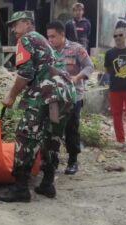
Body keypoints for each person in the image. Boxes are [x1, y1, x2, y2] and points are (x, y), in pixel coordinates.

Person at [0, 11, 76, 202]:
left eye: (15, 24)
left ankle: (20, 188)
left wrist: (11, 96)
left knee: (25, 136)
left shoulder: (26, 40)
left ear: (27, 24)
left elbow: (25, 73)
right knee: (51, 136)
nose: (13, 29)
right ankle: (47, 184)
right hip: (64, 95)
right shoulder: (43, 41)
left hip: (45, 94)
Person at [46, 20, 94, 175]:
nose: (50, 40)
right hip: (54, 97)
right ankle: (52, 160)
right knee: (52, 129)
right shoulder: (48, 52)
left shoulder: (76, 48)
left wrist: (77, 77)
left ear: (62, 34)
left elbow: (89, 66)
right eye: (48, 37)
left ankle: (73, 160)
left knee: (71, 128)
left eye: (53, 36)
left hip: (73, 97)